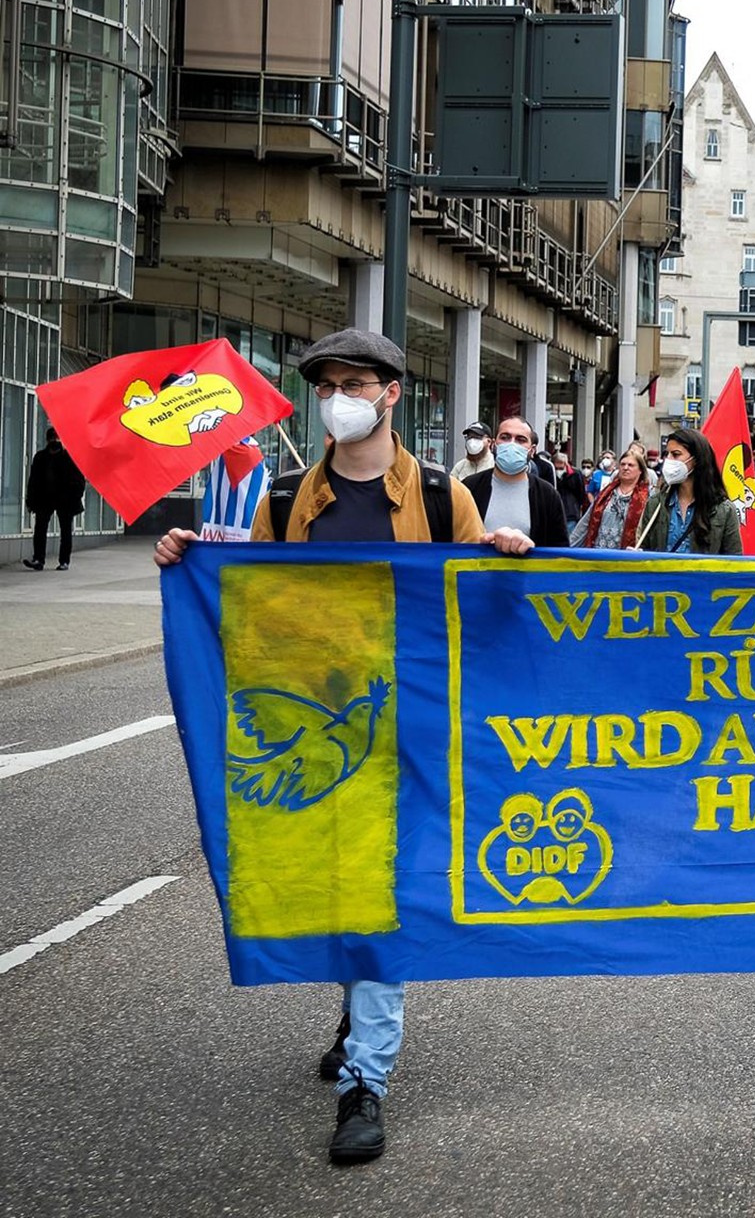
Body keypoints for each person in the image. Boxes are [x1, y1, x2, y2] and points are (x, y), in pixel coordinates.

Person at [151, 328, 535, 1165]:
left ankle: (367, 1080)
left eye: (355, 382)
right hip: (326, 741)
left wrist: (504, 559)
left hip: (412, 741)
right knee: (339, 888)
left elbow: (482, 622)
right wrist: (189, 558)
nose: (339, 398)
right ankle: (355, 1005)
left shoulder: (441, 497)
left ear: (392, 393)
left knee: (383, 898)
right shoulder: (287, 498)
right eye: (327, 385)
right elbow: (251, 605)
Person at [462, 416, 569, 548]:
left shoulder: (547, 495)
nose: (511, 444)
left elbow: (559, 550)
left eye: (521, 440)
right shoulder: (469, 488)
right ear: (494, 445)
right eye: (505, 437)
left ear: (532, 450)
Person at [635, 427, 743, 555]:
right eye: (667, 454)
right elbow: (644, 550)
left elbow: (734, 560)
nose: (668, 460)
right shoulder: (655, 504)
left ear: (696, 459)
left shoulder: (724, 510)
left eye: (676, 454)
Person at [23, 428, 85, 570]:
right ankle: (38, 559)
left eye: (56, 439)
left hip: (65, 499)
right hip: (45, 498)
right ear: (47, 440)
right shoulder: (40, 458)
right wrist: (30, 500)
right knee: (40, 528)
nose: (54, 442)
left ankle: (64, 561)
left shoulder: (69, 457)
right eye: (52, 439)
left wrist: (74, 496)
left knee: (65, 530)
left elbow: (79, 481)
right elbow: (33, 481)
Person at [569, 444, 650, 549]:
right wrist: (567, 548)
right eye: (623, 464)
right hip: (599, 555)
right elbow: (585, 523)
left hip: (626, 559)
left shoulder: (646, 499)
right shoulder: (605, 494)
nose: (625, 468)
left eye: (630, 465)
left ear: (640, 470)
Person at [552, 451, 589, 527]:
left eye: (561, 467)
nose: (558, 470)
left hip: (571, 512)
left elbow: (581, 493)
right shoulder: (551, 473)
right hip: (555, 511)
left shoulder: (575, 474)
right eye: (557, 468)